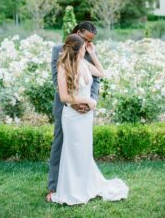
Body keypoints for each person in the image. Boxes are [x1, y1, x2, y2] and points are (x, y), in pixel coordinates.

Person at [49, 33, 129, 205]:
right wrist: (87, 101)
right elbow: (64, 97)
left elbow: (101, 73)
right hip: (72, 117)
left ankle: (86, 185)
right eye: (85, 46)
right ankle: (72, 189)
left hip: (86, 118)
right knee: (73, 151)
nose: (87, 47)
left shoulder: (84, 62)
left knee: (85, 151)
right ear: (79, 49)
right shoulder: (63, 67)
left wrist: (93, 54)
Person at [47, 21, 100, 202]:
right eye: (85, 39)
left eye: (90, 41)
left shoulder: (89, 51)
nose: (87, 44)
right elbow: (57, 80)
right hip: (66, 107)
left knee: (82, 147)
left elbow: (97, 80)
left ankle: (81, 184)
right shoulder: (58, 50)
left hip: (85, 109)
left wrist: (91, 102)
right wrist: (74, 102)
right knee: (59, 144)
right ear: (78, 32)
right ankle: (54, 186)